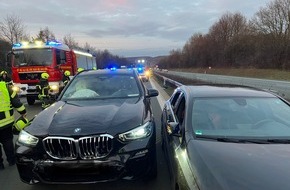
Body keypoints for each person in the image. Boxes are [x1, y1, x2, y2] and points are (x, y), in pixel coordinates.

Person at [0, 80, 26, 170]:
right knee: (7, 141)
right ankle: (11, 160)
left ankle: (0, 165)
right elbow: (16, 103)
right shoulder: (6, 87)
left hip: (5, 122)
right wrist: (23, 112)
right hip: (5, 122)